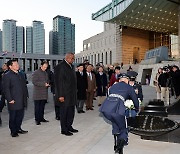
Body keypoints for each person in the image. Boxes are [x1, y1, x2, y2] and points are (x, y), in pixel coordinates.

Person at [99, 73, 139, 154]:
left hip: (106, 109)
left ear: (120, 80)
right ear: (127, 80)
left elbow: (109, 94)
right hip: (118, 109)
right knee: (123, 128)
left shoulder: (113, 86)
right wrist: (137, 108)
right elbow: (135, 99)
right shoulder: (128, 87)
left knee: (115, 123)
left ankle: (115, 144)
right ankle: (119, 148)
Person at [2, 59, 29, 137]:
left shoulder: (21, 74)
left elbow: (24, 86)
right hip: (13, 100)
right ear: (10, 66)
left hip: (22, 99)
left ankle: (18, 128)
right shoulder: (7, 75)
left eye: (17, 64)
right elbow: (6, 89)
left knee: (20, 116)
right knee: (13, 116)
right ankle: (13, 131)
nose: (17, 66)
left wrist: (26, 95)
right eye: (15, 65)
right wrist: (9, 99)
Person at [54, 53, 78, 136]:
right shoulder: (60, 66)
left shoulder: (71, 66)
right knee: (64, 112)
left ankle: (69, 126)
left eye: (73, 58)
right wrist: (60, 95)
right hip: (64, 94)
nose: (73, 60)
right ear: (67, 58)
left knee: (71, 112)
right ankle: (64, 129)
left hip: (72, 94)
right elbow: (59, 82)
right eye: (72, 58)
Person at [32, 61, 50, 125]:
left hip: (44, 93)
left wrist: (48, 84)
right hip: (37, 93)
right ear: (41, 66)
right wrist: (43, 84)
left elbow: (47, 80)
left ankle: (41, 118)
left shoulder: (45, 73)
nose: (45, 68)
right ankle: (37, 119)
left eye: (46, 67)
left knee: (42, 107)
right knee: (37, 107)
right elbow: (34, 82)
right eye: (44, 67)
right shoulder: (36, 72)